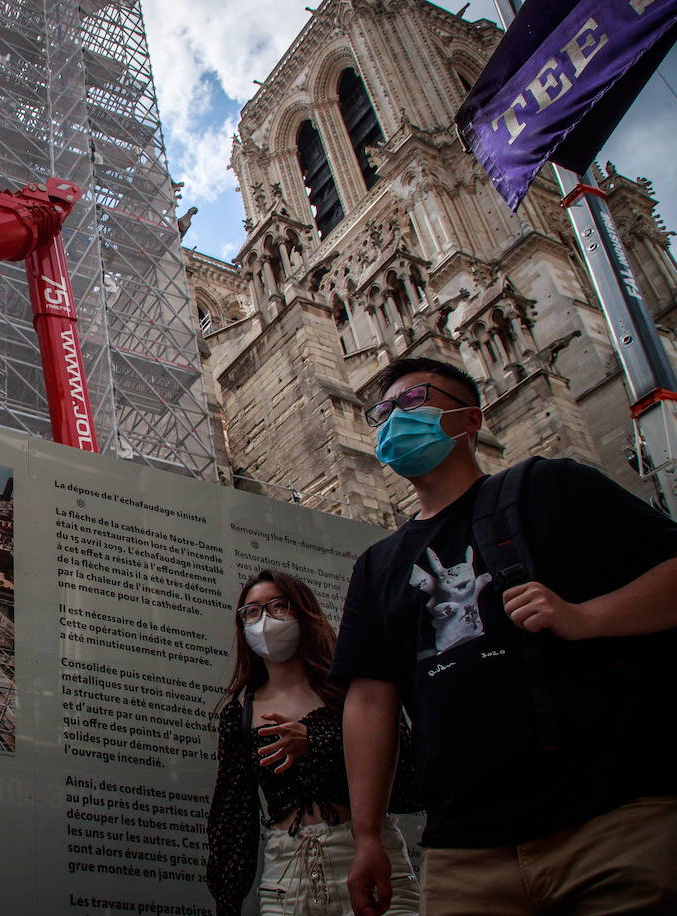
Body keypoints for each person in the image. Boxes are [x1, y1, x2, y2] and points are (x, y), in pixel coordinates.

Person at [333, 356, 677, 916]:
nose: (396, 417)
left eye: (415, 400)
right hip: (464, 853)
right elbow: (371, 699)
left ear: (471, 419)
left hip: (609, 824)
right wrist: (368, 835)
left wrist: (587, 617)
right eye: (384, 409)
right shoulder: (377, 565)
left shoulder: (550, 485)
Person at [206, 569, 419, 916]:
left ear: (302, 610)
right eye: (252, 612)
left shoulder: (353, 691)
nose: (264, 621)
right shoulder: (240, 713)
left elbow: (410, 780)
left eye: (278, 606)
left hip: (368, 857)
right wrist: (226, 900)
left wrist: (319, 741)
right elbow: (233, 811)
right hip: (286, 876)